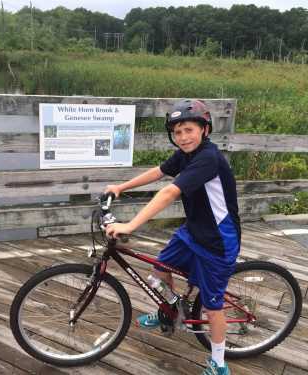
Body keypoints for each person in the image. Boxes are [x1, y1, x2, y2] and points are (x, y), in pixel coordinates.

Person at [105, 99, 240, 375]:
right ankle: (173, 308)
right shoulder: (186, 153)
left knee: (213, 308)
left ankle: (219, 363)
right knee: (160, 267)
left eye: (189, 130)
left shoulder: (208, 158)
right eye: (177, 132)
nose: (183, 137)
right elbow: (159, 172)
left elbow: (168, 192)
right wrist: (121, 186)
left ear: (205, 130)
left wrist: (130, 225)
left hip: (217, 242)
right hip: (193, 232)